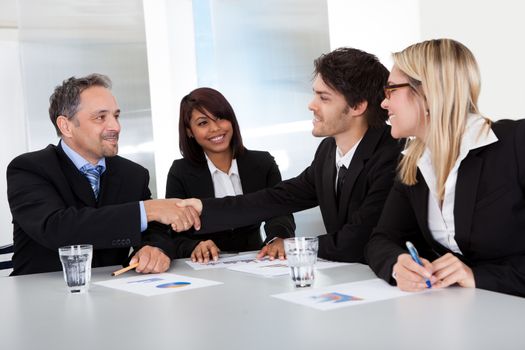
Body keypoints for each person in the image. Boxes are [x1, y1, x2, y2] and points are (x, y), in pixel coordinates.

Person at [178, 48, 403, 263]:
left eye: (324, 98)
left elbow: (356, 241)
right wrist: (203, 208)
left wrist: (293, 246)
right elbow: (279, 197)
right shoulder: (328, 150)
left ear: (358, 106)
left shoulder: (392, 155)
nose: (311, 105)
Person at [365, 38, 525, 297]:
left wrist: (478, 276)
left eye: (391, 90)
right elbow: (381, 239)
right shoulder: (413, 165)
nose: (384, 103)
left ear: (427, 92)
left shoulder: (515, 144)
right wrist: (398, 264)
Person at [6, 74, 199, 275]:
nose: (116, 127)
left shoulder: (133, 174)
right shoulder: (29, 168)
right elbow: (57, 228)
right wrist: (147, 210)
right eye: (100, 117)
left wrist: (153, 248)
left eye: (116, 116)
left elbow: (154, 230)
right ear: (66, 126)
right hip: (38, 296)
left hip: (115, 292)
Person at [165, 87, 295, 263]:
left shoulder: (263, 163)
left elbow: (279, 211)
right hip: (206, 266)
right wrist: (193, 246)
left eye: (220, 118)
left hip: (257, 261)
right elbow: (172, 231)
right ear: (189, 131)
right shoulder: (180, 172)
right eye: (203, 123)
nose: (215, 128)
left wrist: (278, 238)